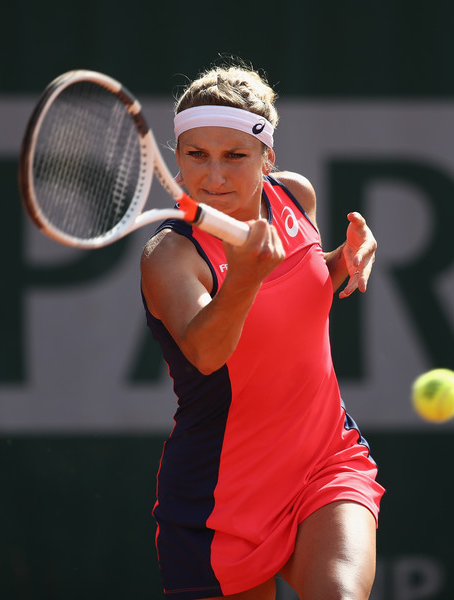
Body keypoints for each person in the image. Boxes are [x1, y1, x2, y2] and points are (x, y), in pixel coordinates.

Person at [140, 62, 385, 600]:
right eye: (195, 155)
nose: (213, 176)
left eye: (235, 156)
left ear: (267, 156)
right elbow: (206, 351)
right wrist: (244, 280)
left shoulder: (296, 197)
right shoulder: (171, 256)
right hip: (219, 499)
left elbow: (297, 282)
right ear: (177, 156)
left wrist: (340, 260)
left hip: (324, 458)